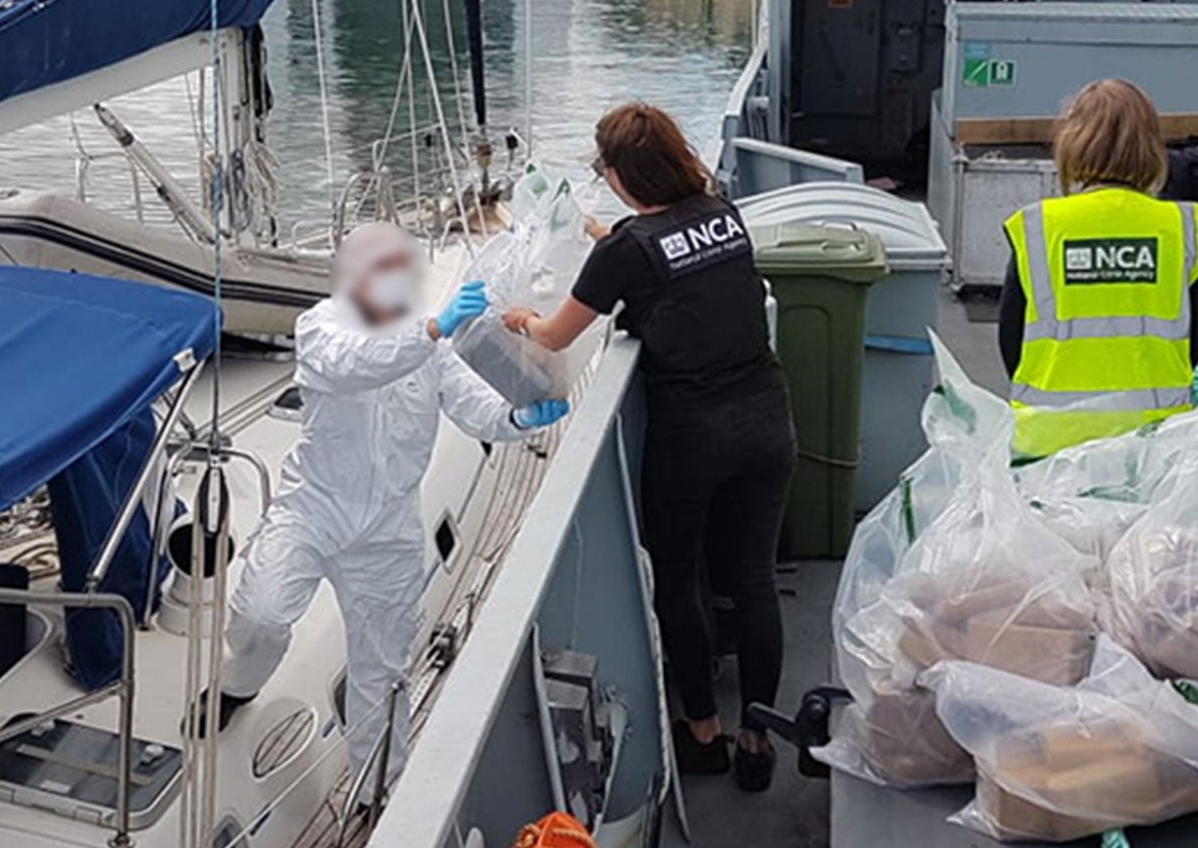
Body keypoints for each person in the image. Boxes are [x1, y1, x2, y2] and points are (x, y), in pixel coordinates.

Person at [503, 103, 796, 792]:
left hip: (693, 433)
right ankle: (758, 739)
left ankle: (703, 734)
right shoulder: (722, 212)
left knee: (678, 577)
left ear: (619, 173)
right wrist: (610, 237)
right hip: (765, 416)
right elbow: (669, 254)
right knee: (752, 580)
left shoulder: (626, 252)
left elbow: (553, 335)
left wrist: (516, 315)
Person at [211, 222, 568, 787]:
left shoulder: (433, 347)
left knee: (382, 671)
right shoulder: (322, 327)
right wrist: (431, 329)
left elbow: (475, 407)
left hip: (388, 529)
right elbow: (358, 364)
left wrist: (517, 418)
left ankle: (377, 788)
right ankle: (240, 683)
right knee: (261, 615)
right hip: (314, 510)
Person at [1000, 79, 1198, 459]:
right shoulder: (1180, 227)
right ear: (1151, 144)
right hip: (1153, 439)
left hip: (1049, 439)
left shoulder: (1039, 226)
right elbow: (1196, 342)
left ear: (1071, 141)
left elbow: (1010, 343)